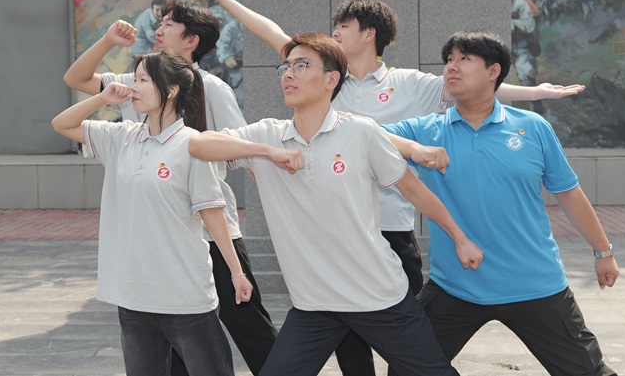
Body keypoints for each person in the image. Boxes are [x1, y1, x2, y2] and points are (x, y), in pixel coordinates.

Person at [197, 0, 587, 375]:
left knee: (406, 345)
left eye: (343, 27)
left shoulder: (407, 84)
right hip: (328, 241)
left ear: (369, 34)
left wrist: (536, 91)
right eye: (290, 65)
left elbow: (475, 87)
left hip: (389, 232)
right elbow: (271, 33)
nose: (334, 34)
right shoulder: (316, 79)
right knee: (351, 349)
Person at [189, 32, 482, 376]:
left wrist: (460, 238)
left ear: (331, 79)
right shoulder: (267, 135)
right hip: (314, 305)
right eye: (285, 67)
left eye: (302, 65)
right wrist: (266, 152)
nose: (288, 74)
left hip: (378, 296)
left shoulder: (361, 132)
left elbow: (414, 190)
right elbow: (199, 145)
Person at [382, 31, 620, 376]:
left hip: (534, 285)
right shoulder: (426, 130)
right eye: (449, 60)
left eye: (465, 59)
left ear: (494, 71)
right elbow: (363, 134)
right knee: (407, 369)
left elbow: (569, 193)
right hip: (455, 286)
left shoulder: (533, 128)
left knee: (588, 372)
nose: (452, 67)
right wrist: (413, 149)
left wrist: (603, 252)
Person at [62, 0, 278, 376]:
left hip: (211, 223)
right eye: (159, 23)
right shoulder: (135, 81)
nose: (158, 30)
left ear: (192, 40)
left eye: (168, 25)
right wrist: (108, 41)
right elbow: (75, 80)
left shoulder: (214, 89)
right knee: (168, 333)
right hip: (160, 226)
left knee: (245, 321)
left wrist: (277, 203)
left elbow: (241, 149)